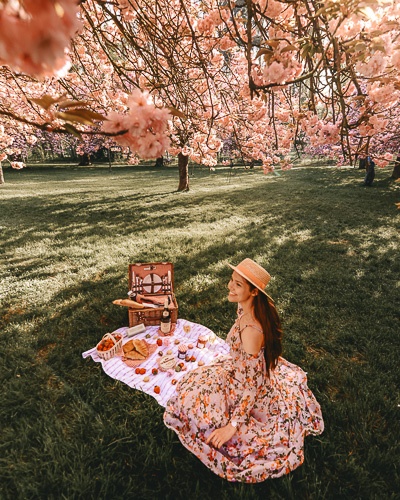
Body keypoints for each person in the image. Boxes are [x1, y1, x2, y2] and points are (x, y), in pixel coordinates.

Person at [163, 258, 324, 482]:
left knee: (204, 418)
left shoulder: (251, 332)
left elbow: (252, 385)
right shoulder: (245, 306)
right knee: (190, 394)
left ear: (254, 292)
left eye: (238, 285)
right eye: (232, 280)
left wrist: (233, 425)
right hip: (237, 373)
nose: (230, 286)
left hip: (250, 393)